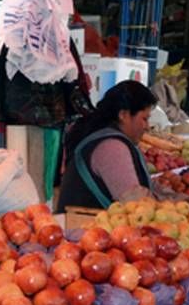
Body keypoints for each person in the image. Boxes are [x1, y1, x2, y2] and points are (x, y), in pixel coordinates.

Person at [57, 80, 158, 212]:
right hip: (85, 229)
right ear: (123, 115)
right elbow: (135, 204)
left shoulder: (103, 136)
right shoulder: (111, 148)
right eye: (144, 119)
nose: (147, 127)